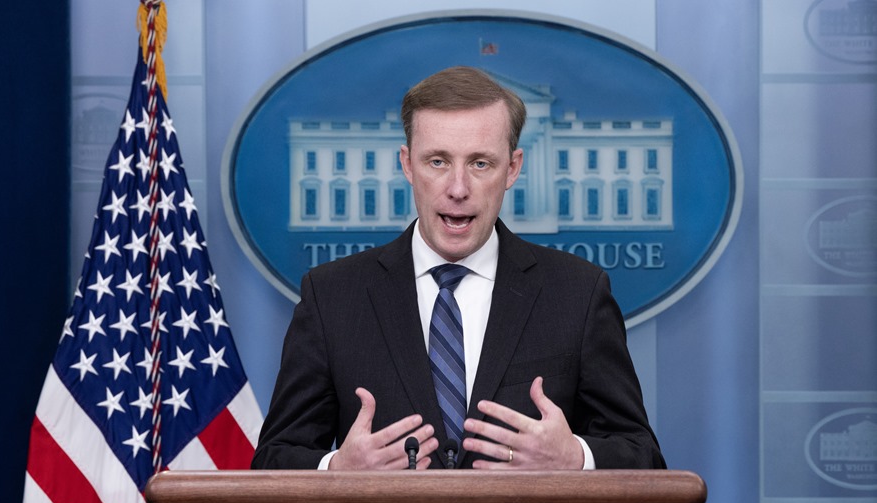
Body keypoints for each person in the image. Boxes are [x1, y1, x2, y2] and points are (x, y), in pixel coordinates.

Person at [252, 66, 665, 471]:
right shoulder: (332, 296)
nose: (458, 188)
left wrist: (574, 457)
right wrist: (337, 470)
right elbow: (273, 459)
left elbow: (642, 456)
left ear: (513, 168)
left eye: (480, 163)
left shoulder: (577, 293)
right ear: (407, 164)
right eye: (437, 162)